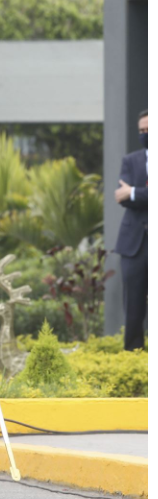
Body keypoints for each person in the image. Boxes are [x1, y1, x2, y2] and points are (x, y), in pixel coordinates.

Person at [114, 109, 148, 351]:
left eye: (149, 130)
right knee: (133, 305)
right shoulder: (131, 160)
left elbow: (129, 194)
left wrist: (135, 191)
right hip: (134, 244)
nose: (145, 134)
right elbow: (121, 197)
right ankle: (134, 356)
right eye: (141, 131)